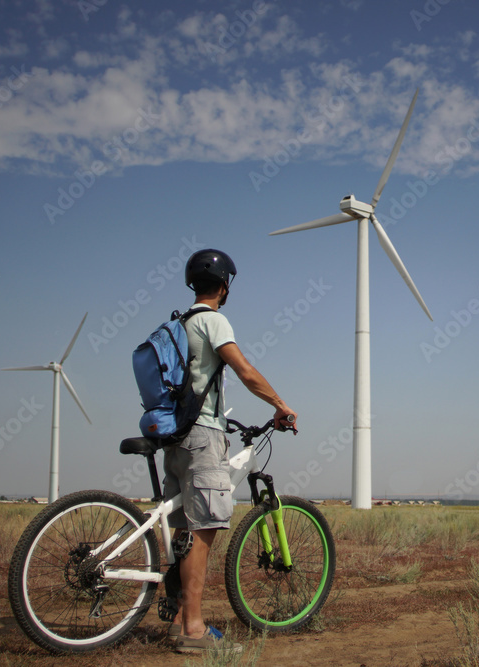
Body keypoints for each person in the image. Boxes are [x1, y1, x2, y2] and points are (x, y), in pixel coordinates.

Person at [163, 248, 297, 654]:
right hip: (202, 434)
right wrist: (280, 405)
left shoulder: (179, 323)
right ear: (224, 286)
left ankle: (177, 618)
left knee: (183, 528)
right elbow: (244, 370)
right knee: (203, 529)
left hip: (176, 436)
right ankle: (194, 630)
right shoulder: (213, 320)